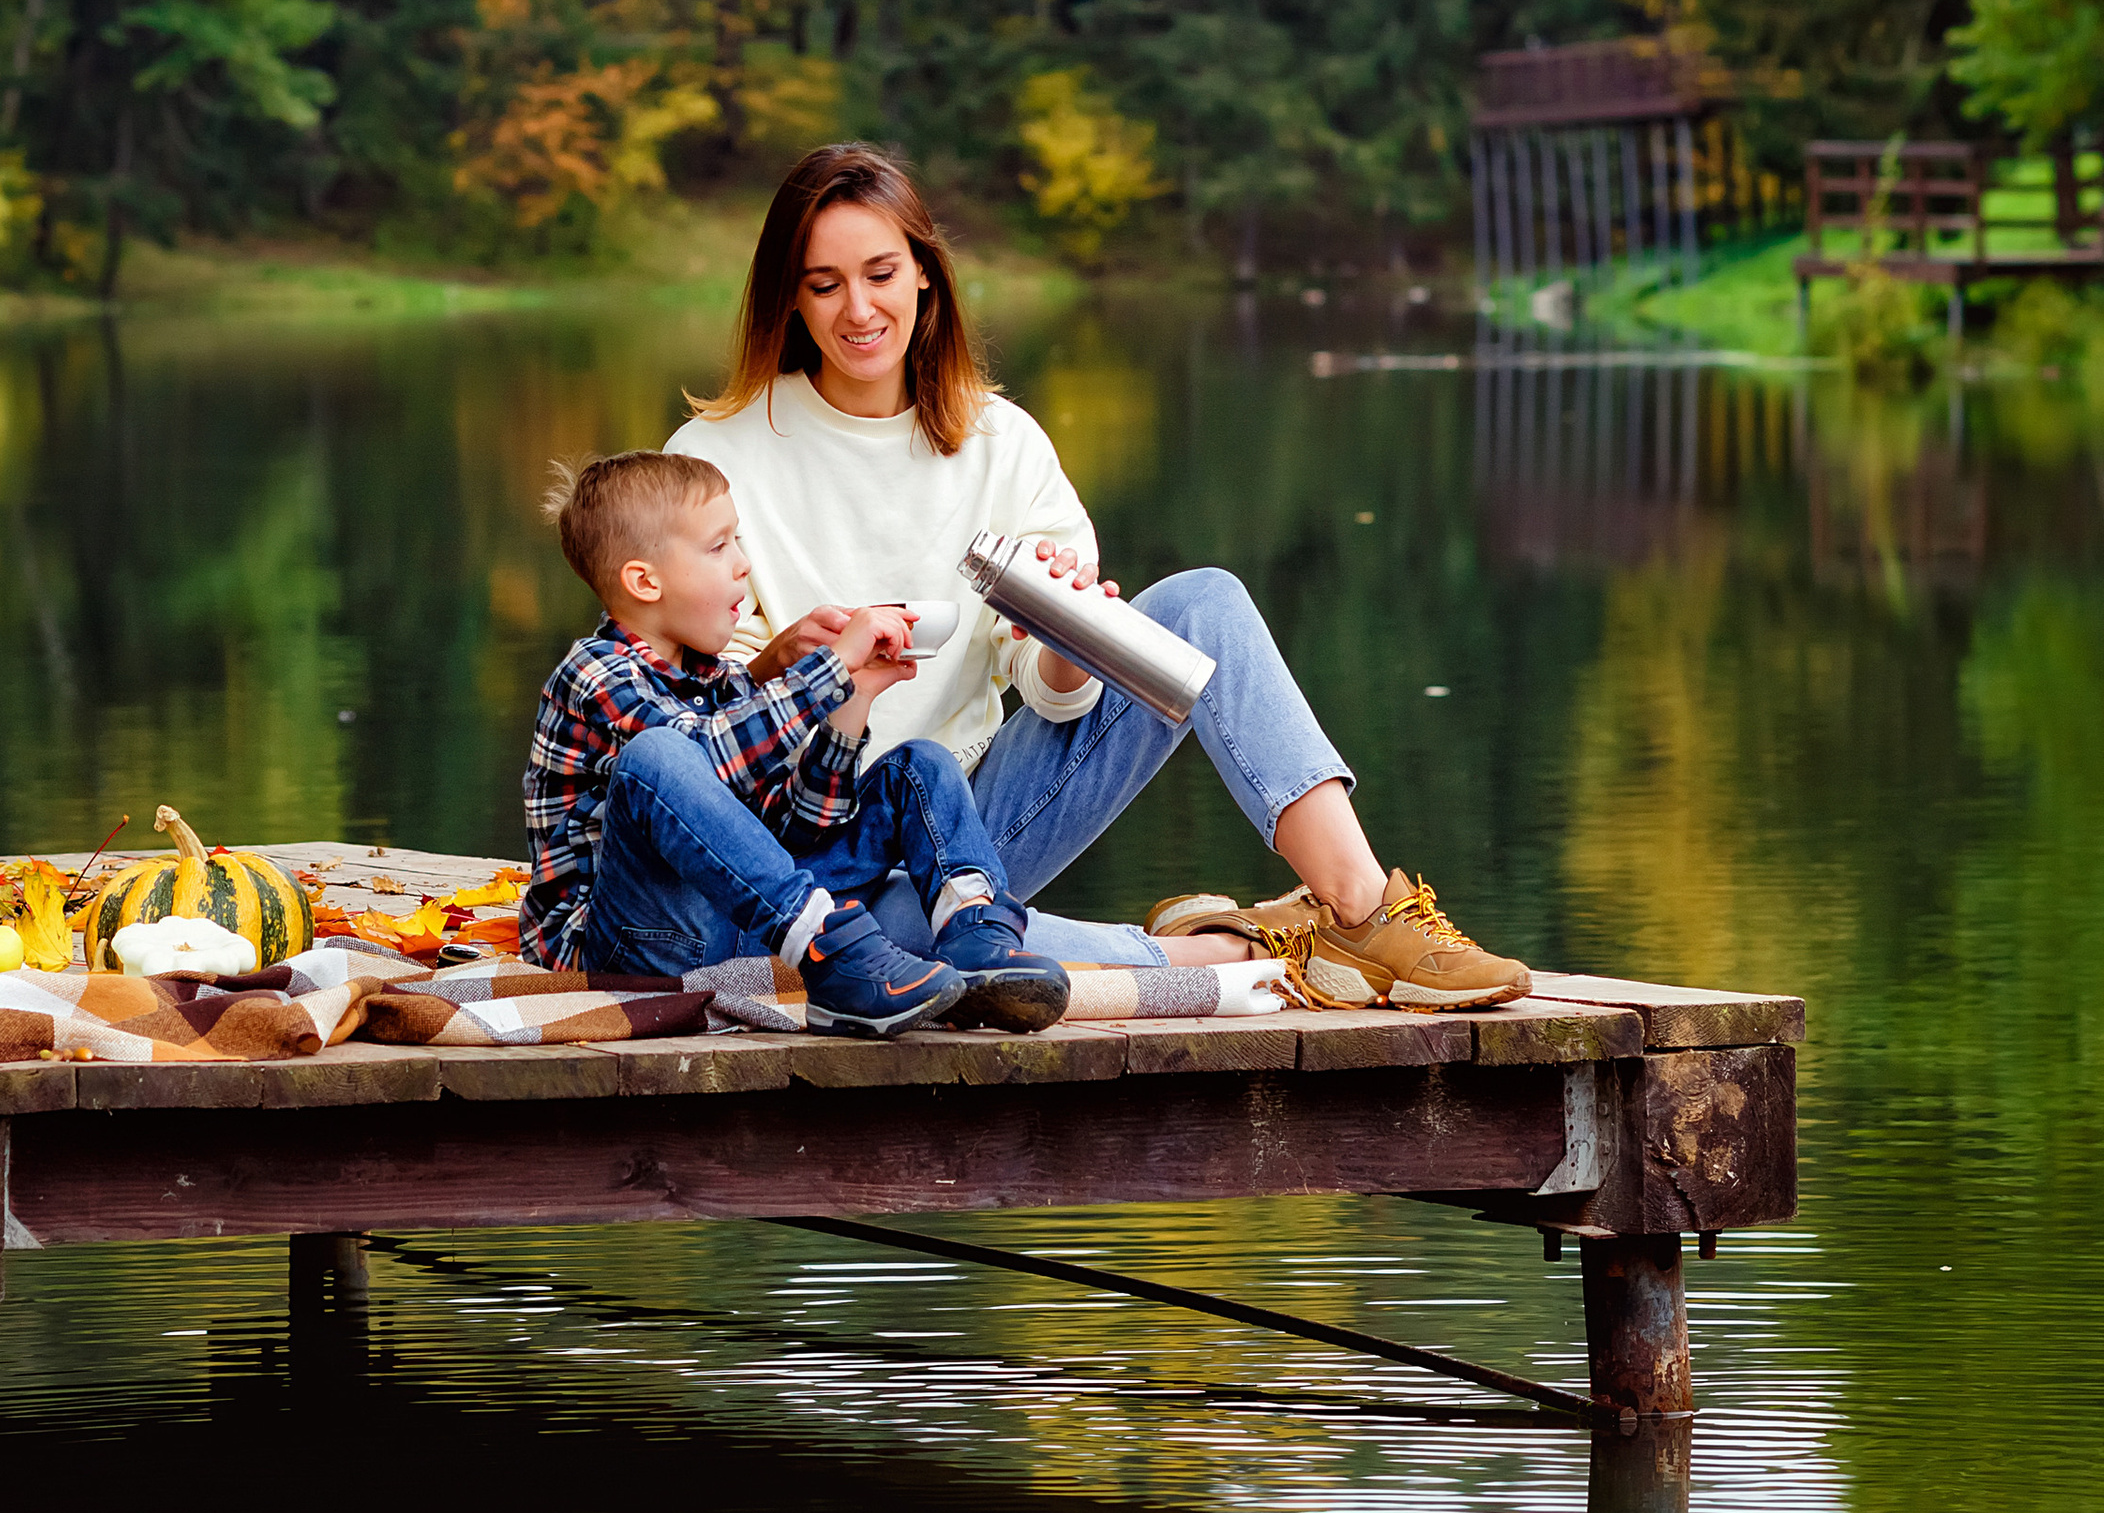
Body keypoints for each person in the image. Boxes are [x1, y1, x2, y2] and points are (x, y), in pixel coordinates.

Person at [671, 145, 1529, 1007]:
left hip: (972, 821)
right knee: (875, 933)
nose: (859, 308)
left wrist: (1069, 649)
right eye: (824, 284)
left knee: (1202, 605)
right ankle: (1234, 946)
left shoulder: (1001, 444)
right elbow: (682, 732)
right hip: (799, 856)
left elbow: (1050, 696)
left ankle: (1358, 908)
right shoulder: (714, 460)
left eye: (882, 273)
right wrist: (794, 662)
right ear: (789, 293)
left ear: (926, 275)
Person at [520, 446, 1071, 1037]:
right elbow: (702, 757)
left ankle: (976, 943)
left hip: (738, 924)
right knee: (657, 756)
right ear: (644, 581)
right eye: (718, 546)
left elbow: (796, 830)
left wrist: (852, 700)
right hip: (627, 948)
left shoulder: (718, 681)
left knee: (920, 765)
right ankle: (834, 954)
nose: (742, 564)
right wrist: (828, 668)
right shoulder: (594, 673)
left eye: (738, 541)